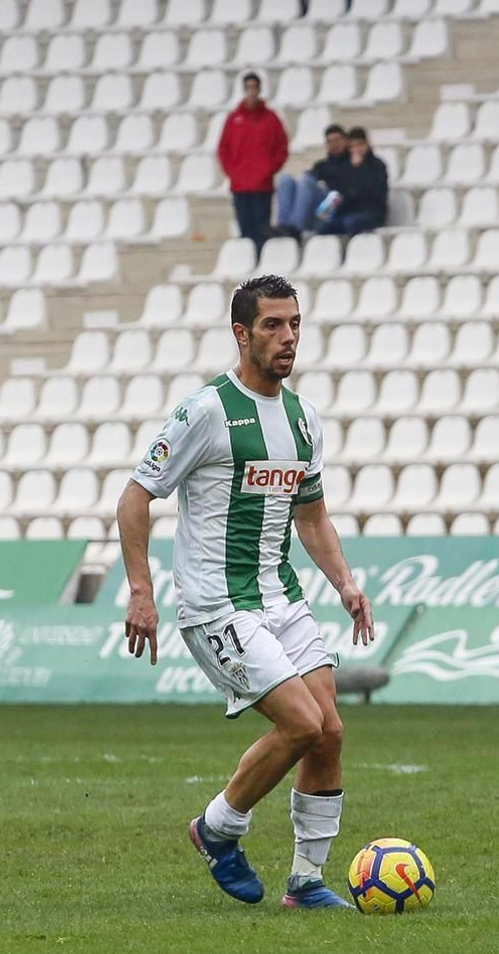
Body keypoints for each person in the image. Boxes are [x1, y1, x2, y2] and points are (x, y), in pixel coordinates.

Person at [117, 274, 375, 910]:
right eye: (272, 325)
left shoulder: (303, 418)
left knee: (332, 731)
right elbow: (135, 496)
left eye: (294, 324)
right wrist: (141, 592)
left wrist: (344, 582)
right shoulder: (206, 411)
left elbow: (311, 515)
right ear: (241, 333)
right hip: (216, 604)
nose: (287, 337)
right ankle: (217, 828)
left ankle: (307, 882)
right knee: (302, 723)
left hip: (281, 598)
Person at [217, 73, 288, 250]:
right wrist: (232, 172)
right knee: (245, 231)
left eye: (254, 87)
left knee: (262, 230)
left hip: (262, 185)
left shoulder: (271, 119)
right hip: (240, 185)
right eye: (248, 88)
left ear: (259, 89)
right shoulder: (234, 119)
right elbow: (224, 148)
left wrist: (270, 169)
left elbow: (282, 146)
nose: (251, 92)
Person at [273, 124, 349, 241]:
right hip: (319, 211)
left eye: (337, 140)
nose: (334, 144)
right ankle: (284, 225)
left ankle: (295, 228)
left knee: (309, 182)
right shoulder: (321, 166)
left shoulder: (352, 164)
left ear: (345, 141)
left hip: (336, 206)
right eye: (330, 141)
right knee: (286, 180)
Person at [316, 127, 388, 238]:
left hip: (373, 212)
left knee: (351, 223)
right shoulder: (346, 166)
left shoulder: (377, 165)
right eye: (352, 146)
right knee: (325, 228)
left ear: (367, 144)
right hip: (349, 212)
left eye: (359, 145)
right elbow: (344, 192)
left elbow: (375, 192)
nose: (356, 149)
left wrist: (359, 168)